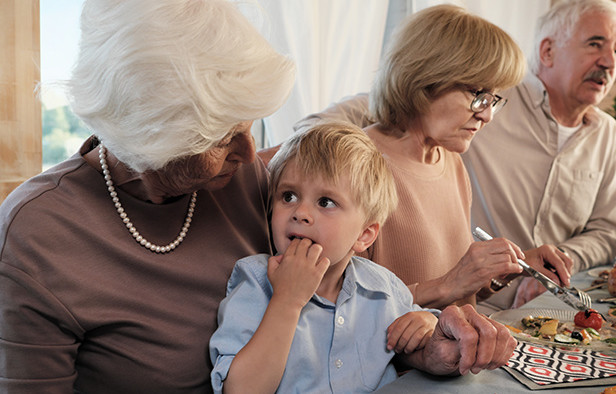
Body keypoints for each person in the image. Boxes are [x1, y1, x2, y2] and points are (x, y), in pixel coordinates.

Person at [0, 1, 522, 392]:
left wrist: (423, 347)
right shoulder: (39, 235)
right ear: (150, 140)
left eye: (248, 125)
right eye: (224, 135)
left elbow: (343, 326)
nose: (250, 151)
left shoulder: (249, 182)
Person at [283, 0, 616, 313]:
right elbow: (334, 308)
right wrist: (450, 285)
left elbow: (459, 295)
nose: (487, 115)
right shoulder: (359, 168)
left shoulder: (451, 162)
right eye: (478, 94)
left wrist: (502, 270)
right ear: (424, 79)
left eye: (493, 98)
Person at [209, 122, 516, 393]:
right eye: (288, 196)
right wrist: (287, 300)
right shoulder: (254, 281)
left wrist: (424, 322)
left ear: (364, 235)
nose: (300, 213)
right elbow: (241, 389)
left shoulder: (381, 287)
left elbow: (419, 347)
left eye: (325, 202)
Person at [464, 0, 616, 312]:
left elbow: (609, 232)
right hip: (470, 309)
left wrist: (557, 262)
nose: (609, 61)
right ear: (548, 52)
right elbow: (392, 102)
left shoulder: (606, 132)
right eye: (596, 44)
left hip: (554, 313)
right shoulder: (491, 101)